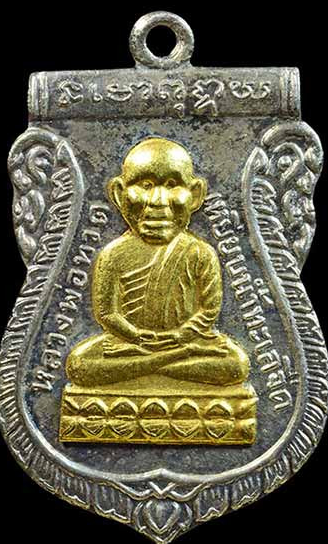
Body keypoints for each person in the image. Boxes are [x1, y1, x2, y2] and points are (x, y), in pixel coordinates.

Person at [66, 137, 249, 388]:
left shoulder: (200, 252)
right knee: (79, 364)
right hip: (131, 343)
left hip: (186, 341)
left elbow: (208, 310)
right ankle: (167, 364)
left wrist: (181, 336)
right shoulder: (113, 254)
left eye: (172, 185)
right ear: (119, 193)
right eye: (145, 185)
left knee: (236, 364)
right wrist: (136, 336)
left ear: (195, 195)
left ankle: (149, 366)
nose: (158, 200)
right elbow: (107, 313)